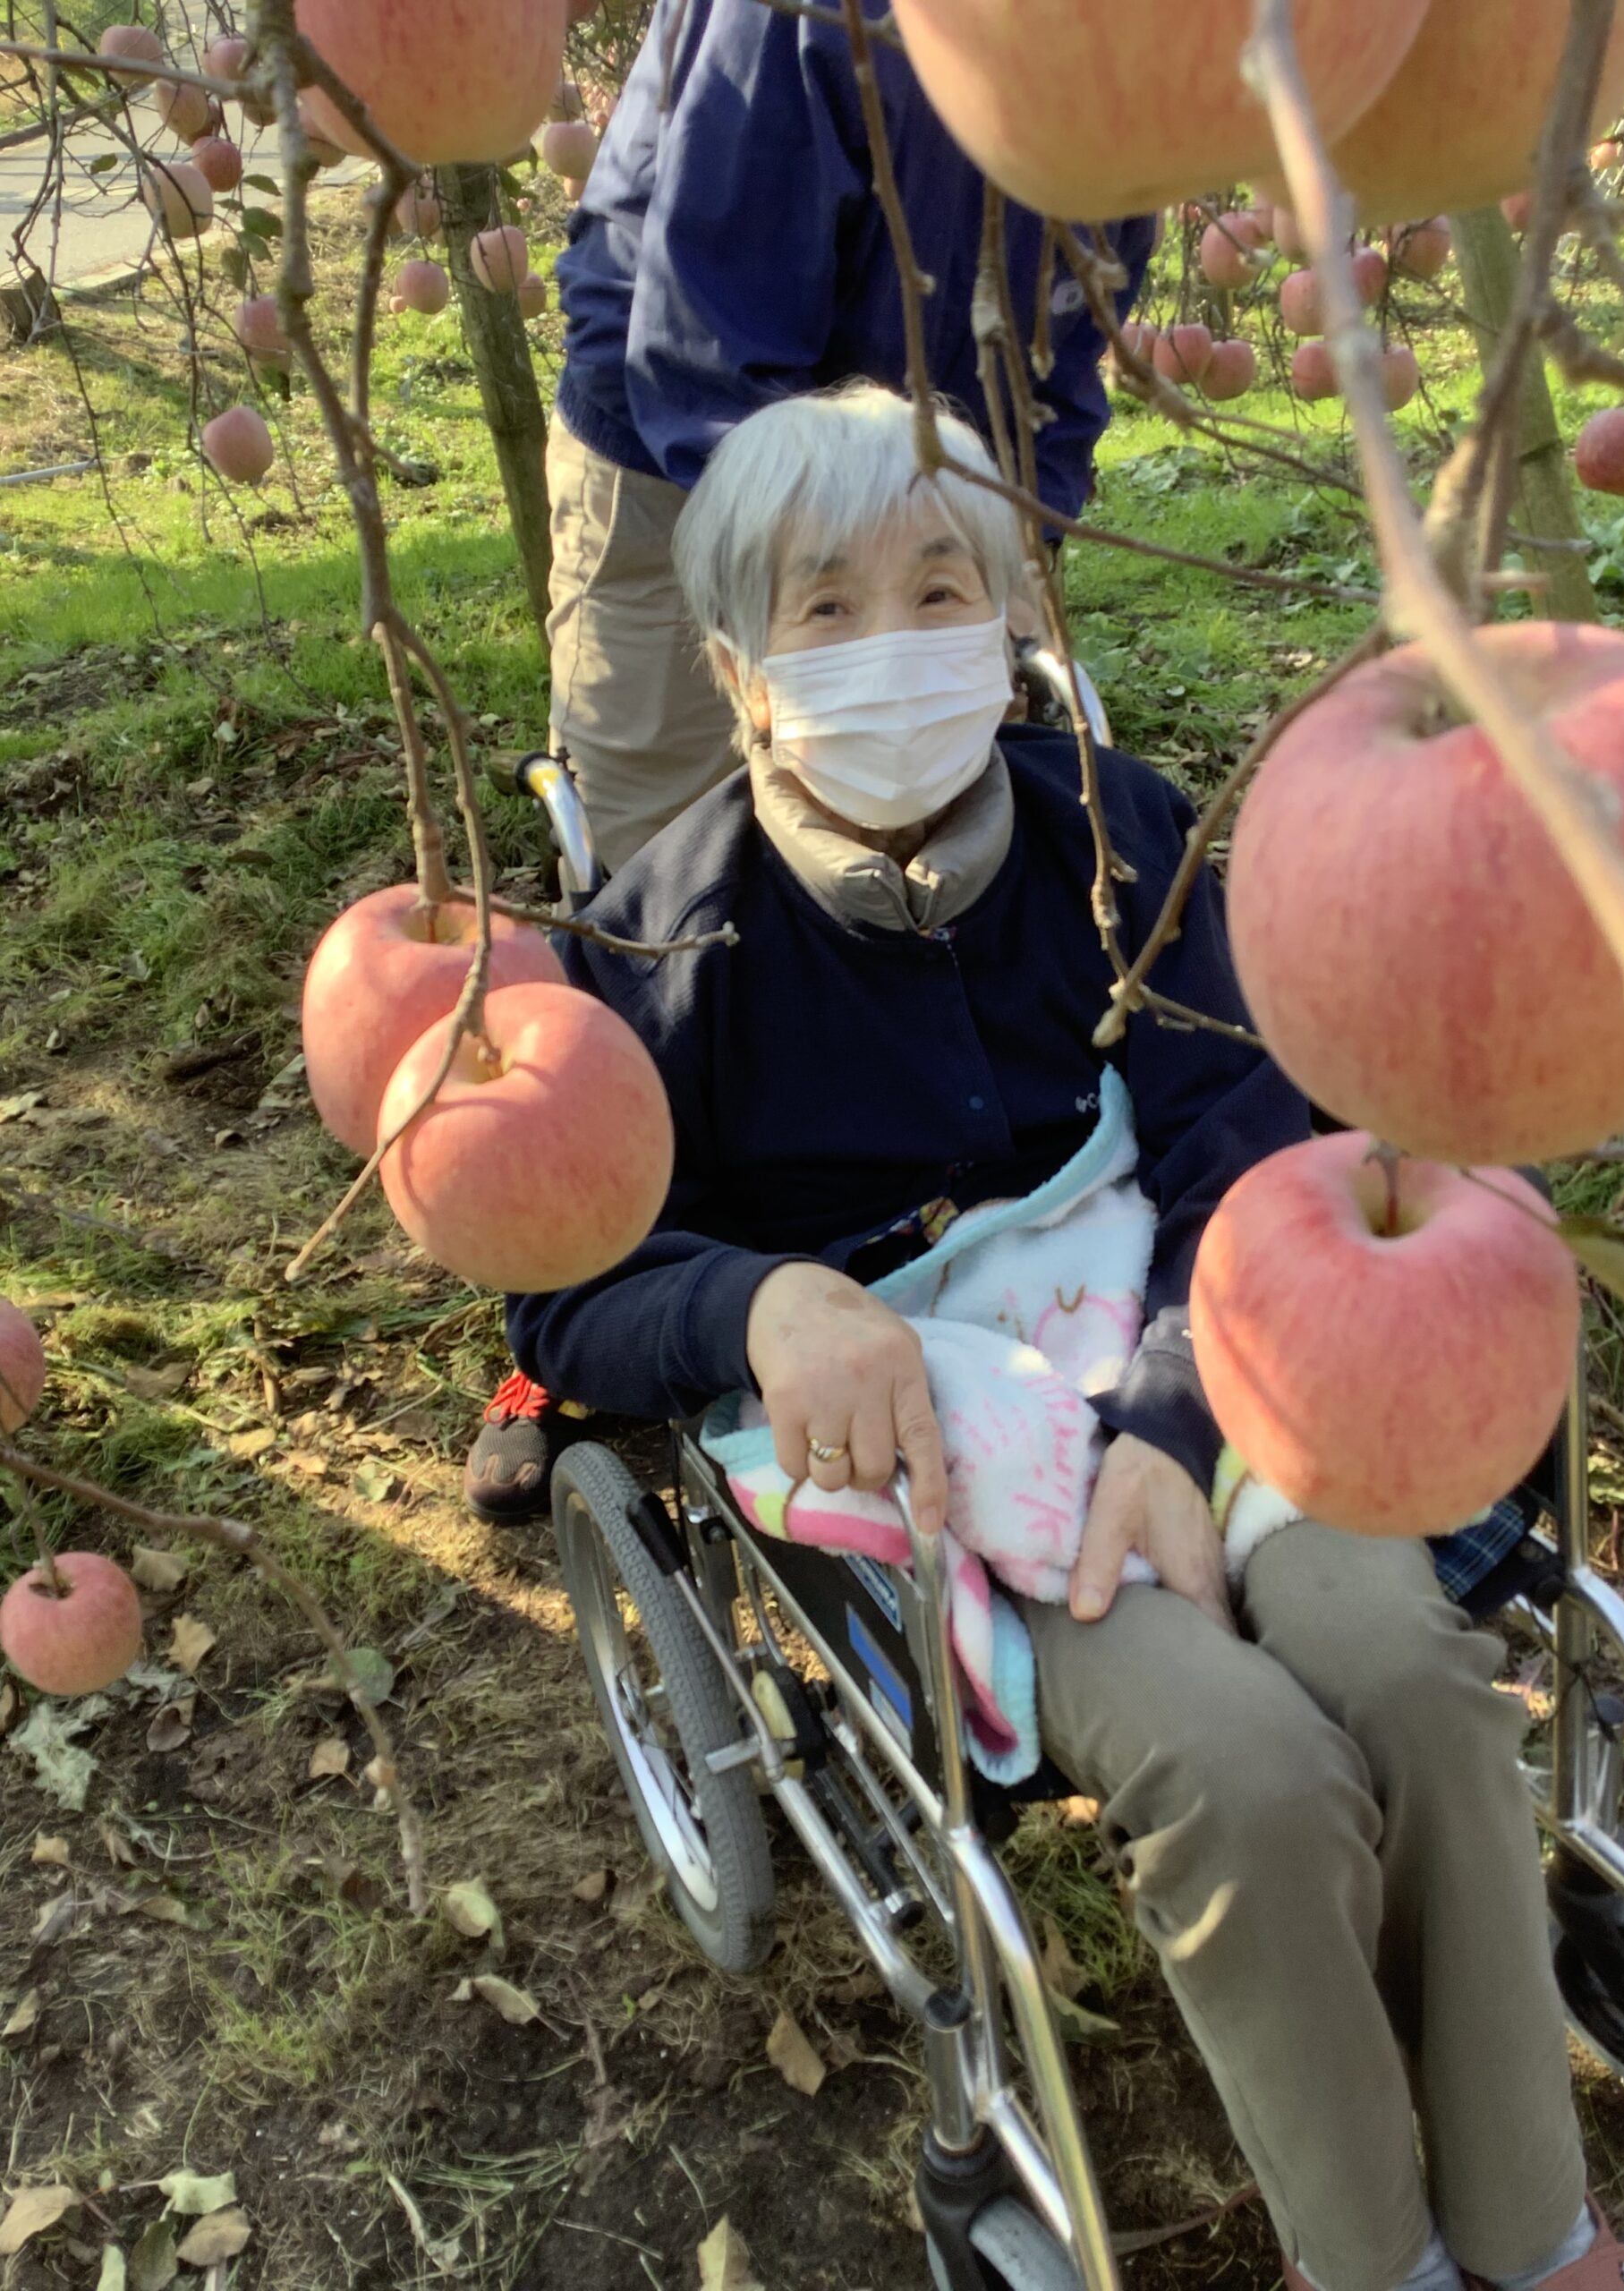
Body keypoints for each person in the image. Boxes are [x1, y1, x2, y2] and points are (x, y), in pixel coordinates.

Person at [495, 387, 1624, 2291]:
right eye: (827, 609)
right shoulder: (658, 952)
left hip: (1207, 1338)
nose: (894, 643)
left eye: (939, 589)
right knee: (1254, 1778)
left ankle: (1535, 2232)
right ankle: (1376, 2264)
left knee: (1419, 1684)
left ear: (1009, 617)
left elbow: (1240, 1136)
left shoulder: (1118, 837)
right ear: (737, 671)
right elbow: (561, 1290)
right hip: (943, 1437)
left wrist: (1172, 1422)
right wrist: (757, 1298)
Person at [466, 0, 1154, 1515]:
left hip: (930, 485)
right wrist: (814, 625)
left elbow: (1070, 348)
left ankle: (973, 1227)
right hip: (690, 458)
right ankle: (595, 1312)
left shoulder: (1134, 56)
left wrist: (997, 562)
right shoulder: (804, 25)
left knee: (968, 860)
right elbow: (707, 338)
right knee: (664, 911)